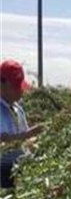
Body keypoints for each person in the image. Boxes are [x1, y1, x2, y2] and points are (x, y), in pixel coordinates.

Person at [0, 60, 42, 189]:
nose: (21, 91)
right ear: (3, 85)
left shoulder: (18, 109)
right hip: (3, 170)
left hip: (20, 168)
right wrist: (27, 134)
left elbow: (25, 139)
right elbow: (3, 140)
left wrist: (39, 138)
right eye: (16, 87)